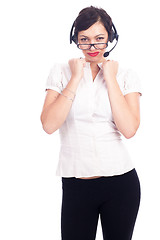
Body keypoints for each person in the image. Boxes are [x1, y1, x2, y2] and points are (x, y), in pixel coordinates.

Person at [40, 5, 142, 240]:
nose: (92, 46)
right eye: (84, 39)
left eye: (99, 39)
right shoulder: (61, 72)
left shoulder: (125, 75)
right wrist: (76, 77)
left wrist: (110, 78)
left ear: (110, 38)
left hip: (121, 182)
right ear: (75, 39)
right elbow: (48, 125)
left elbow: (129, 129)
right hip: (77, 183)